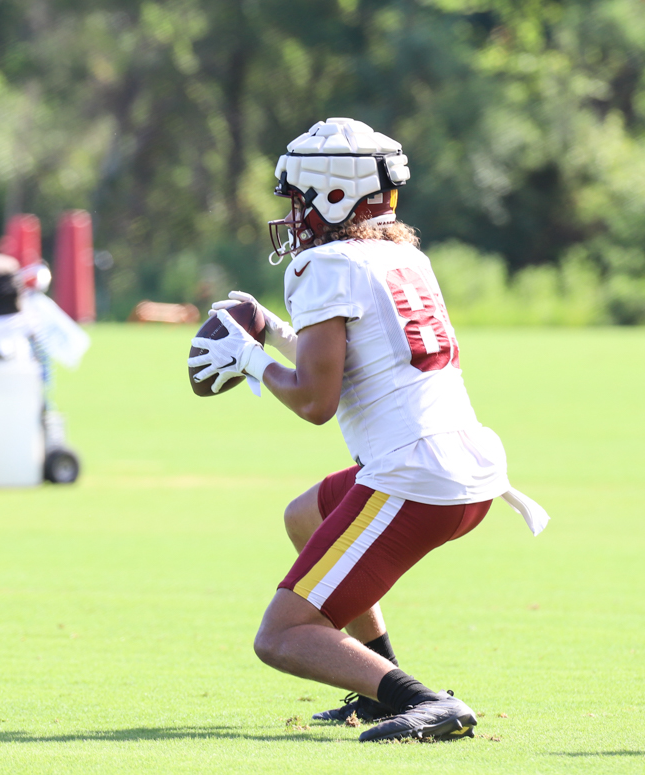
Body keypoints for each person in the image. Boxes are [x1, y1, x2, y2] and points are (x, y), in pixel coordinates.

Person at [188, 118, 549, 743]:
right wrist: (272, 331)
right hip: (464, 466)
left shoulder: (323, 264)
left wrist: (248, 360)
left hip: (415, 476)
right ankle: (385, 683)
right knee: (307, 516)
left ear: (334, 196)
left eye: (300, 199)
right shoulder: (402, 256)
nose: (293, 214)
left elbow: (314, 400)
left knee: (280, 636)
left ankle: (422, 700)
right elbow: (355, 356)